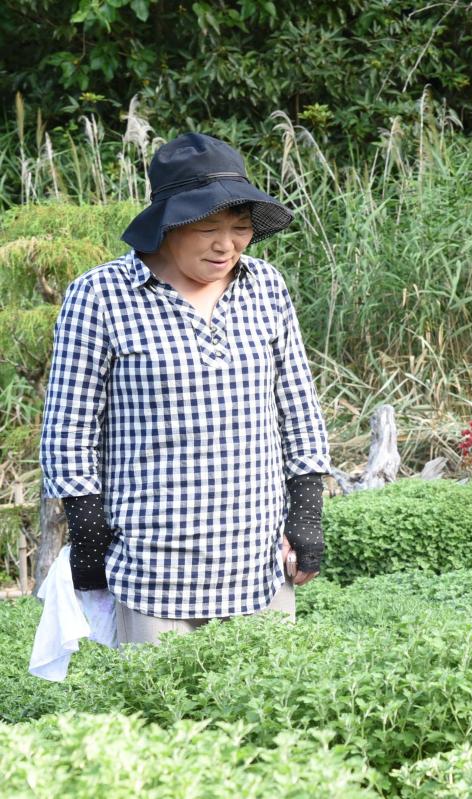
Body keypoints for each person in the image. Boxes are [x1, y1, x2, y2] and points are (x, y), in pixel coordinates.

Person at [39, 133, 330, 646]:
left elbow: (299, 409)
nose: (227, 245)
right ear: (169, 225)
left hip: (258, 562)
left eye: (240, 229)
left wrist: (306, 515)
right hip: (151, 566)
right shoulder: (101, 296)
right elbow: (67, 429)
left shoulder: (265, 285)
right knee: (161, 715)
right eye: (208, 228)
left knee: (265, 714)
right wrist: (87, 533)